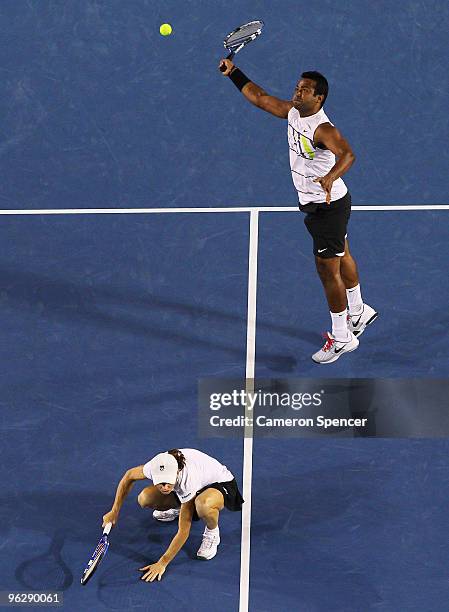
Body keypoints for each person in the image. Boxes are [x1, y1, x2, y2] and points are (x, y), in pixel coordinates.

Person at [219, 59, 378, 364]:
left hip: (326, 207)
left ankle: (343, 337)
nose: (297, 92)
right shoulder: (293, 113)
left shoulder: (323, 129)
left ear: (319, 98)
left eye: (305, 90)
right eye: (297, 87)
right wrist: (234, 73)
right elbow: (261, 98)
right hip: (327, 205)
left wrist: (330, 177)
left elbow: (348, 154)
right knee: (342, 253)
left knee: (326, 270)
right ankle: (359, 311)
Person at [102, 448, 244, 582]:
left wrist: (162, 563)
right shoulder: (154, 466)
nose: (165, 487)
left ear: (177, 472)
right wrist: (114, 511)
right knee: (145, 498)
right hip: (190, 487)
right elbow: (129, 476)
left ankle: (212, 532)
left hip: (219, 484)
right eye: (161, 483)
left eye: (168, 482)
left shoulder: (187, 479)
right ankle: (179, 506)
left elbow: (184, 530)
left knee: (203, 505)